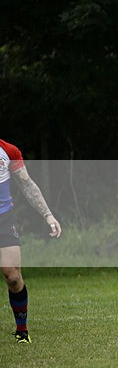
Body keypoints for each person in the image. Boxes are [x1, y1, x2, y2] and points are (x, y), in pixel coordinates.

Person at [1, 139, 62, 344]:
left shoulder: (8, 151)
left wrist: (48, 215)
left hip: (4, 220)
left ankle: (22, 330)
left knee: (13, 277)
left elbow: (27, 185)